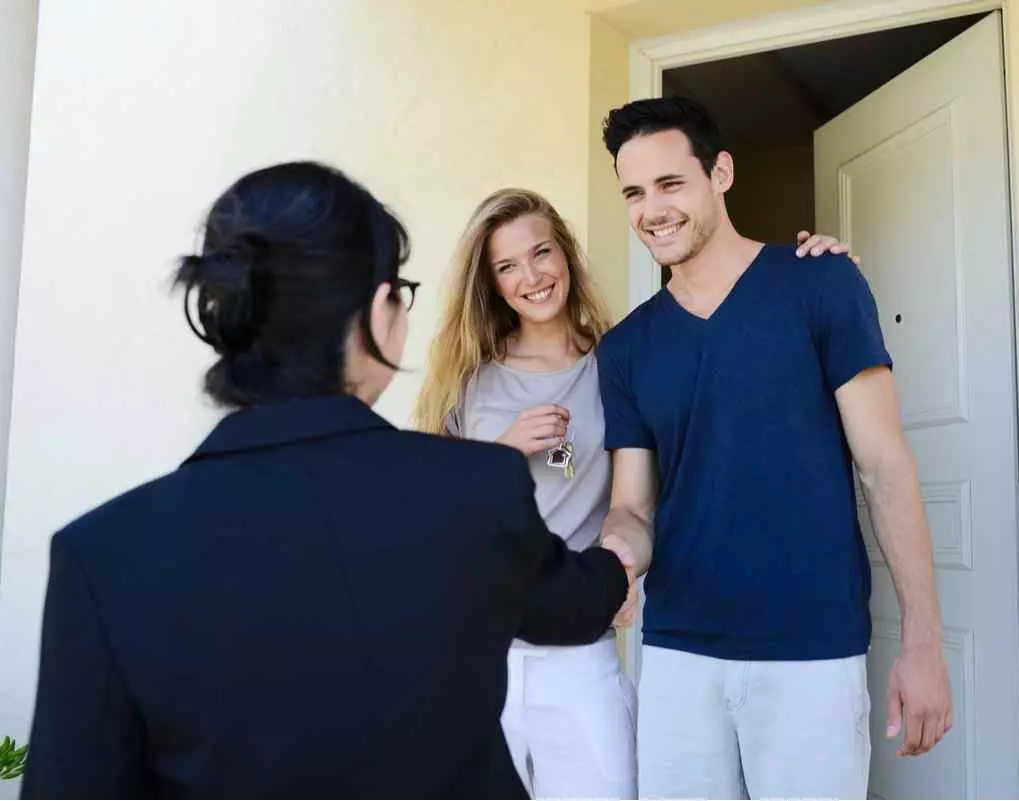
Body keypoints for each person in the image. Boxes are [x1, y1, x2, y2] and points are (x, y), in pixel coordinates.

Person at [22, 162, 635, 799]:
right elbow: (573, 600)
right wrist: (625, 555)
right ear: (377, 314)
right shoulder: (473, 492)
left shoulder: (98, 556)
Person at [413, 189, 851, 799]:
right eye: (507, 266)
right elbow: (428, 514)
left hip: (579, 647)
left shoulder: (623, 359)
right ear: (490, 282)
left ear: (566, 254)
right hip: (476, 652)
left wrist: (815, 268)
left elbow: (644, 496)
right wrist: (503, 453)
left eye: (541, 253)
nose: (531, 277)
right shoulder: (467, 379)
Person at [596, 96, 953, 800]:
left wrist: (924, 641)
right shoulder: (626, 348)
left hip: (811, 649)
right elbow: (633, 505)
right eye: (634, 192)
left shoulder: (820, 281)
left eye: (671, 184)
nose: (652, 210)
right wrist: (619, 556)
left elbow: (884, 467)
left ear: (720, 173)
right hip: (677, 652)